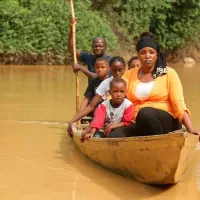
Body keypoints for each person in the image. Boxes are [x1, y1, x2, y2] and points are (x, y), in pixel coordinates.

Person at [117, 33, 200, 139]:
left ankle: (160, 142)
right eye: (143, 53)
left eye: (151, 52)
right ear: (138, 55)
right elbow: (114, 96)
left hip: (167, 122)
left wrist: (191, 129)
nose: (147, 56)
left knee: (145, 113)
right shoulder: (129, 75)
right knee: (114, 136)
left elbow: (178, 104)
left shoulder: (169, 73)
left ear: (156, 55)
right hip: (138, 121)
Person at [68, 56, 126, 137]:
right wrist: (74, 120)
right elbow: (91, 105)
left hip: (124, 116)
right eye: (114, 70)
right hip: (105, 115)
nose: (117, 73)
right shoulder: (106, 83)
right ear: (110, 69)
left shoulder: (128, 81)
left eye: (120, 70)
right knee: (87, 132)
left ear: (124, 69)